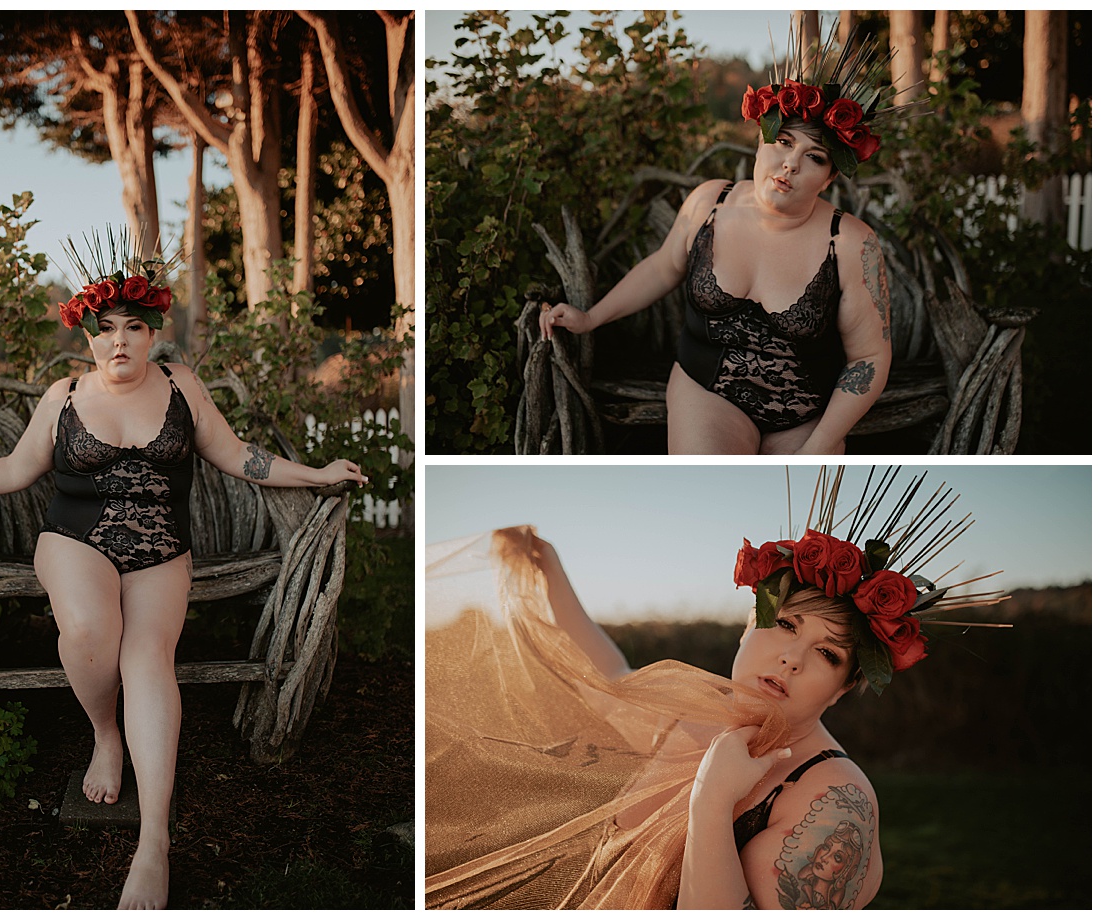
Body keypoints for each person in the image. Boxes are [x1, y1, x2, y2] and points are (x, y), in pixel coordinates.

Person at [0, 256, 366, 909]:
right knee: (90, 629)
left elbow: (237, 456)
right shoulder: (64, 397)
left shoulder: (181, 386)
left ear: (152, 332)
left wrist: (315, 473)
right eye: (104, 328)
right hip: (73, 540)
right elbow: (12, 470)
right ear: (86, 337)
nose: (119, 340)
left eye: (134, 327)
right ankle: (105, 735)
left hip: (161, 548)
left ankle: (152, 844)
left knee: (147, 658)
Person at [425, 468, 1002, 909]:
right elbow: (612, 678)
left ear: (843, 690)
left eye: (827, 654)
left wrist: (712, 800)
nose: (792, 658)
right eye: (785, 624)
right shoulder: (696, 710)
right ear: (750, 624)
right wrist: (546, 566)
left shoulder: (830, 802)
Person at [539, 36, 902, 454]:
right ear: (760, 140)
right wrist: (589, 318)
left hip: (808, 414)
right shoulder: (711, 201)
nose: (791, 164)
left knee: (795, 507)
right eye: (783, 142)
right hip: (707, 392)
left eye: (815, 157)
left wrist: (819, 444)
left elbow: (869, 358)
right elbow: (663, 267)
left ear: (830, 178)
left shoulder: (854, 244)